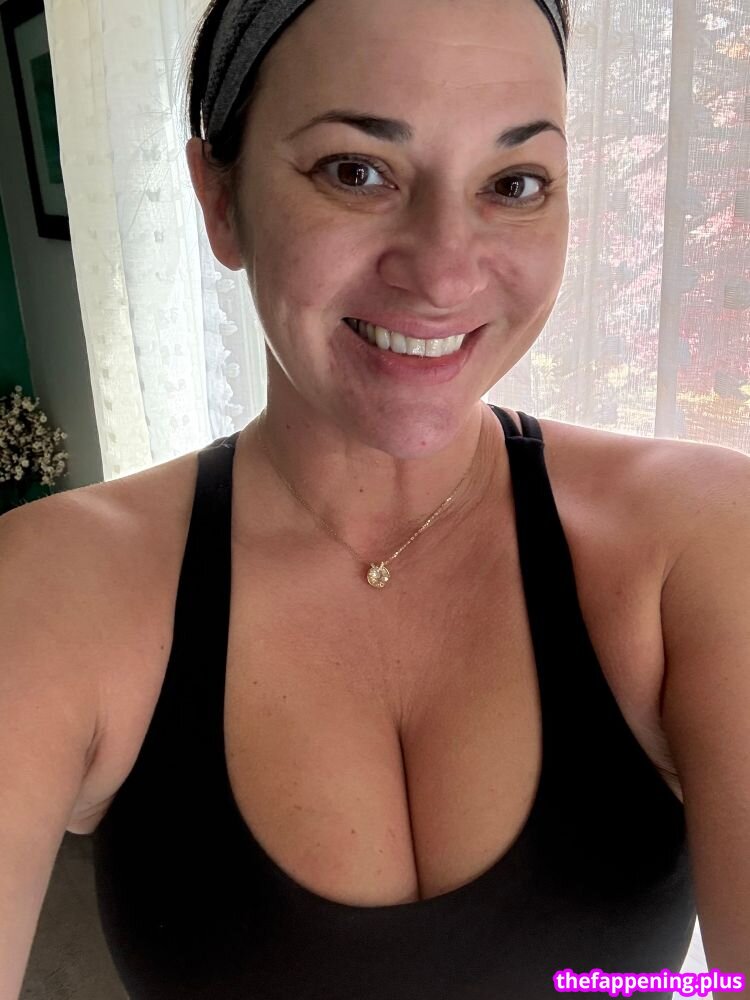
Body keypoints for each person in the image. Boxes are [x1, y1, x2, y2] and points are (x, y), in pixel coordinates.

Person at [1, 0, 748, 998]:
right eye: (357, 171)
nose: (443, 272)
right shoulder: (58, 586)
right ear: (219, 199)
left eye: (514, 182)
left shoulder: (701, 541)